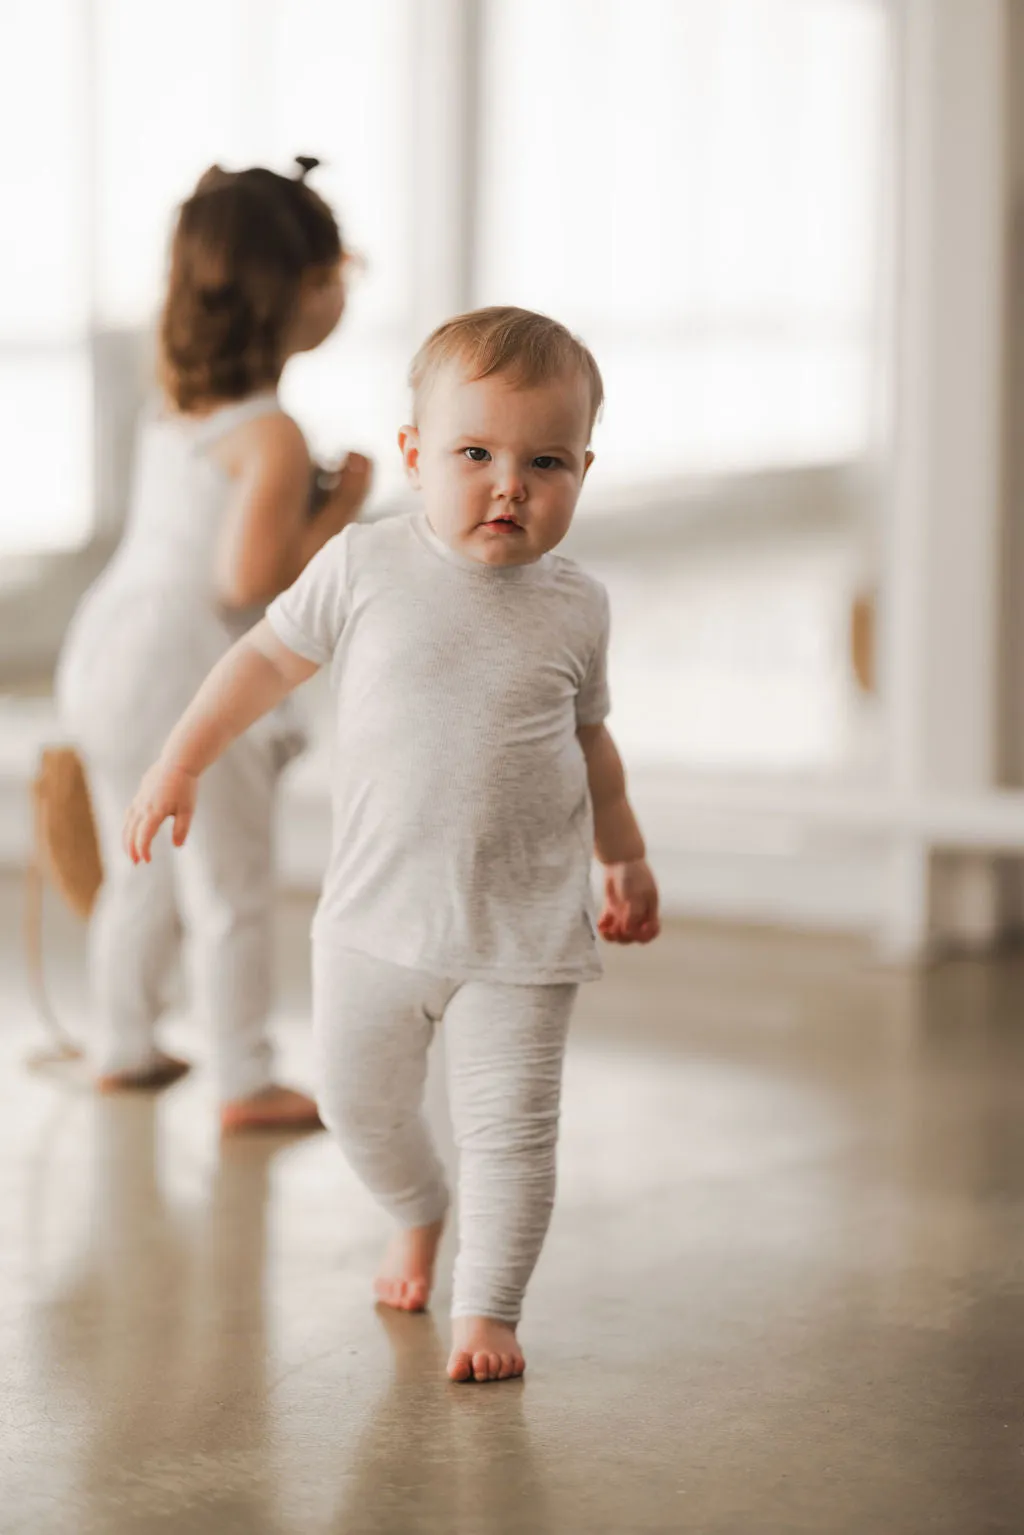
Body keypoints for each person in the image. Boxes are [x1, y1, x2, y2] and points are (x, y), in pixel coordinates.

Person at [122, 306, 660, 1379]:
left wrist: (624, 852)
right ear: (414, 456)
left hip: (522, 928)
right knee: (360, 1107)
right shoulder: (363, 566)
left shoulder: (575, 606)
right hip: (374, 919)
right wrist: (181, 756)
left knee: (512, 1131)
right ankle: (416, 1206)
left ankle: (488, 1307)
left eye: (544, 461)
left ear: (583, 471)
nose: (509, 485)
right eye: (474, 454)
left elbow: (590, 741)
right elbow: (261, 666)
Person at [57, 158, 373, 1132]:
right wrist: (347, 507)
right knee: (230, 875)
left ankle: (123, 1041)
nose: (341, 295)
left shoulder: (177, 409)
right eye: (335, 278)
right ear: (296, 295)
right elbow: (249, 580)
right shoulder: (272, 433)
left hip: (109, 648)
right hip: (187, 661)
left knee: (140, 858)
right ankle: (243, 1073)